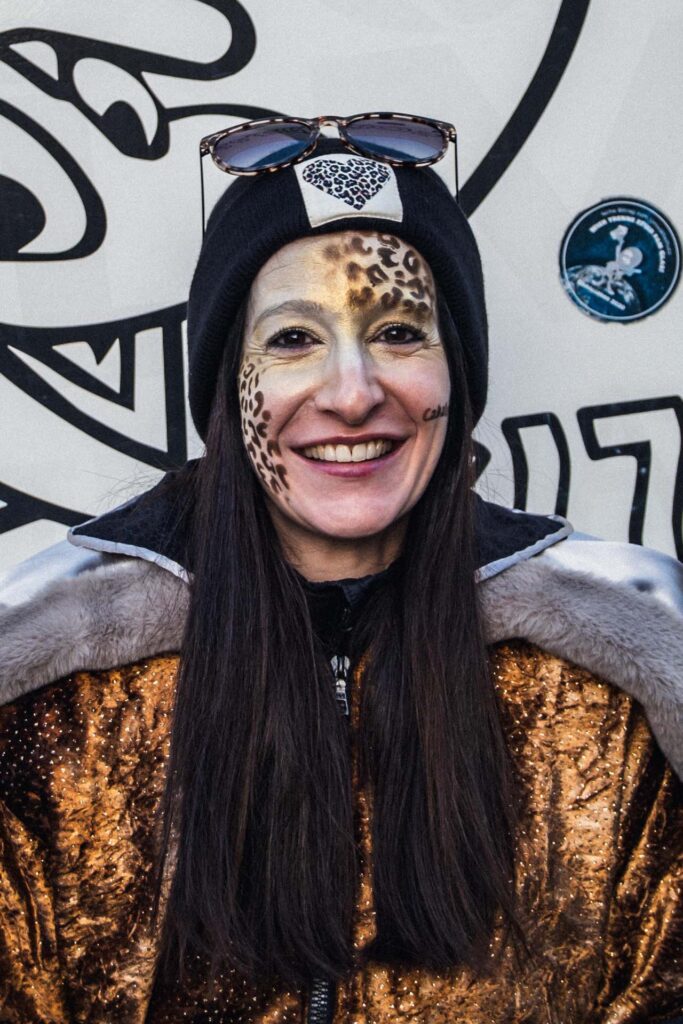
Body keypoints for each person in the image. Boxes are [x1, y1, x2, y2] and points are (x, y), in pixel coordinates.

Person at [0, 115, 681, 1024]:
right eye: (291, 340)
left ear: (456, 378)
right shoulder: (56, 709)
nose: (353, 392)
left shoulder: (609, 699)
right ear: (226, 384)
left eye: (398, 331)